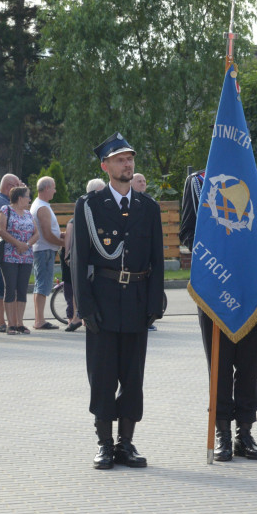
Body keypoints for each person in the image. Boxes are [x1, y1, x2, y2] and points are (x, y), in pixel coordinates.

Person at [180, 167, 257, 461]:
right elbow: (187, 232)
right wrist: (218, 247)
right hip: (216, 287)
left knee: (249, 364)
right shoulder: (199, 182)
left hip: (253, 287)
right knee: (220, 364)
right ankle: (223, 432)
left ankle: (245, 432)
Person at [72, 133, 164, 469]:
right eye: (120, 159)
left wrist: (155, 302)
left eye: (130, 159)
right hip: (104, 301)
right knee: (103, 376)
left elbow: (156, 259)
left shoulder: (148, 207)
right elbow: (79, 260)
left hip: (137, 301)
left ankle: (127, 443)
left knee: (133, 377)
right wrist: (84, 307)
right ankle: (105, 444)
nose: (127, 164)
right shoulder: (90, 207)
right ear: (105, 166)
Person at [63, 179, 106, 333]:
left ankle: (81, 317)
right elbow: (70, 235)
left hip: (96, 259)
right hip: (85, 259)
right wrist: (69, 255)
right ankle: (78, 317)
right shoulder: (83, 211)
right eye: (102, 190)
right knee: (81, 287)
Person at [0, 186, 38, 335]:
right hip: (9, 255)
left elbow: (36, 233)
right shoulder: (5, 210)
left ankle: (20, 323)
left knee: (22, 289)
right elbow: (1, 230)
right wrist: (17, 243)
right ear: (20, 198)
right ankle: (11, 324)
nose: (29, 199)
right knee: (10, 288)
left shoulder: (28, 213)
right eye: (28, 196)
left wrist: (26, 245)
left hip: (26, 256)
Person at [31, 176, 64, 330]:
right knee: (43, 284)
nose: (55, 190)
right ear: (46, 189)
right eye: (54, 187)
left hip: (43, 249)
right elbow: (47, 234)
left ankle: (39, 318)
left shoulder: (41, 205)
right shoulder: (42, 207)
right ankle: (40, 320)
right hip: (44, 250)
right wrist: (64, 243)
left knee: (40, 284)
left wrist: (60, 235)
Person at [0, 173, 20, 333]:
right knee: (1, 285)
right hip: (1, 250)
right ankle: (0, 322)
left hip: (11, 250)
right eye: (17, 185)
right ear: (9, 186)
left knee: (10, 286)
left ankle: (11, 321)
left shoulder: (7, 202)